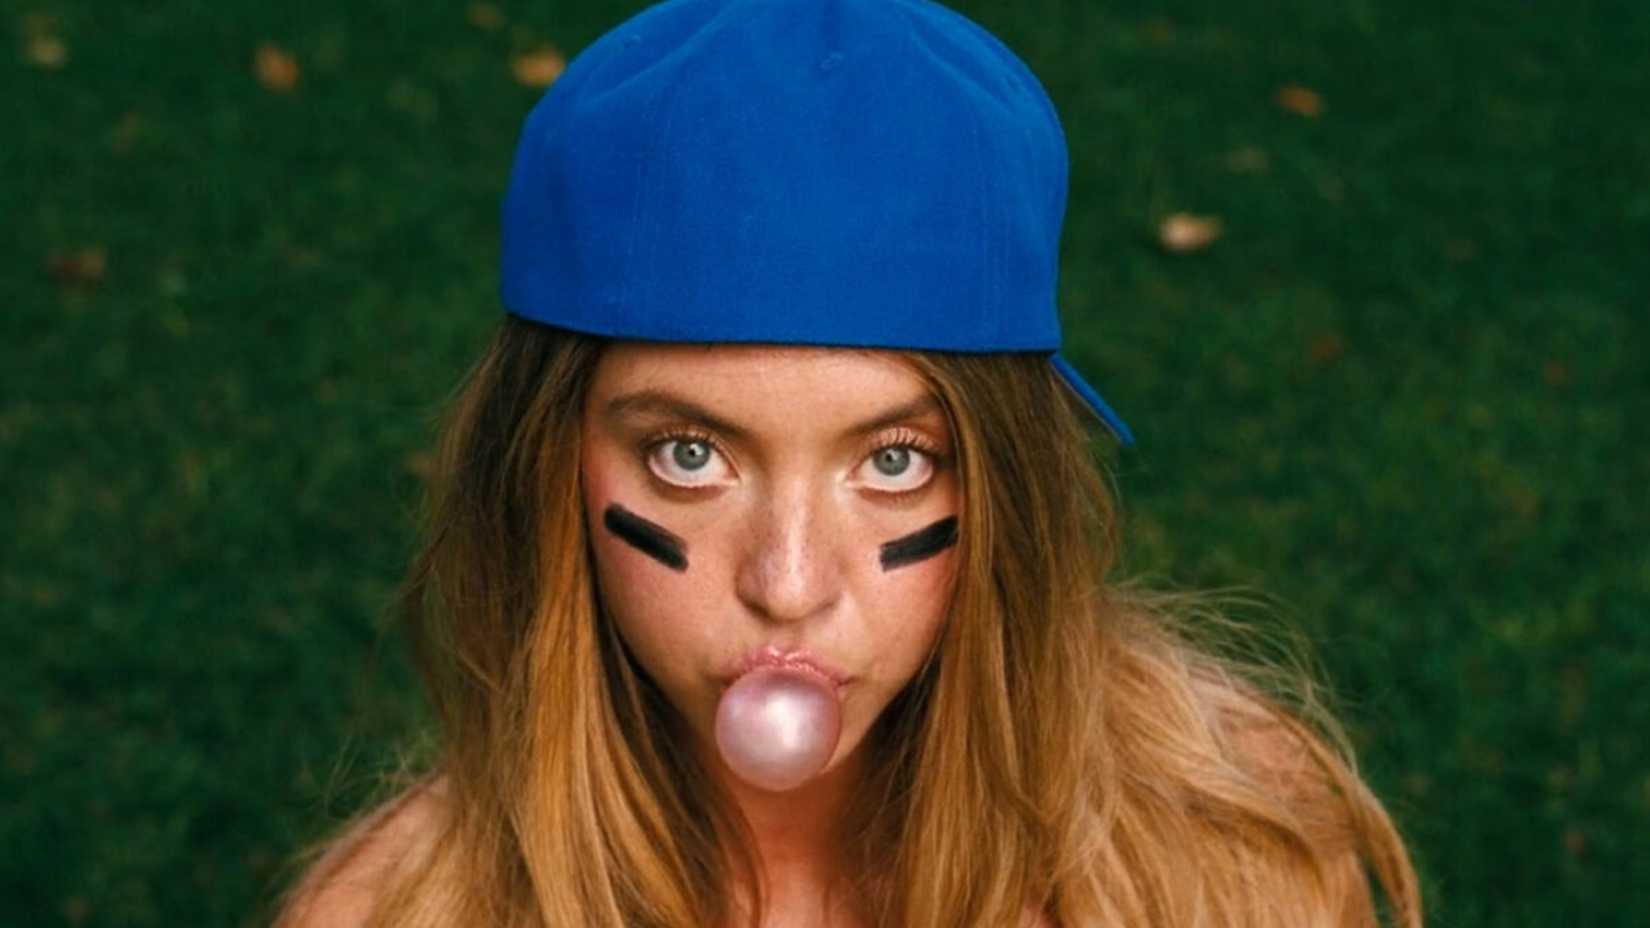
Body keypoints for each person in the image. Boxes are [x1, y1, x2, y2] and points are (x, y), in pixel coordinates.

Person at [275, 0, 1423, 925]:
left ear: (1008, 484)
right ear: (545, 468)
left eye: (895, 460)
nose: (788, 584)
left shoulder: (1229, 860)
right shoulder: (393, 913)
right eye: (689, 454)